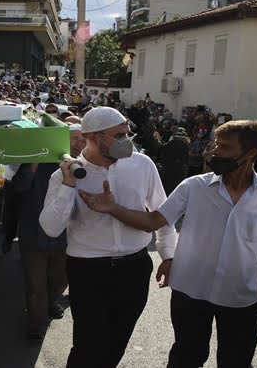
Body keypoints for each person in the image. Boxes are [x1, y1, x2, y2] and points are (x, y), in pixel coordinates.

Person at [90, 120, 257, 368]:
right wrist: (113, 208)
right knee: (185, 358)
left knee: (236, 361)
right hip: (189, 293)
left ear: (251, 153)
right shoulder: (193, 187)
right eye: (216, 145)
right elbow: (153, 221)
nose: (215, 152)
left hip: (241, 299)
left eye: (225, 147)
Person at [39, 107, 177, 367]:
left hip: (134, 268)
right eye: (119, 135)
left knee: (116, 344)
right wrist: (69, 185)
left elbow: (162, 211)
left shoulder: (142, 165)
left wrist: (168, 255)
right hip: (88, 271)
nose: (128, 141)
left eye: (127, 134)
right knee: (88, 347)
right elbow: (50, 228)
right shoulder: (64, 174)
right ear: (93, 137)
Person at [7, 124, 84, 343]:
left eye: (82, 139)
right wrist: (34, 160)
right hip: (33, 234)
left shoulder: (85, 166)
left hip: (67, 237)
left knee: (60, 279)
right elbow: (18, 188)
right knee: (35, 284)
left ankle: (51, 302)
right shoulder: (38, 162)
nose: (78, 143)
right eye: (74, 138)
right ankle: (37, 323)